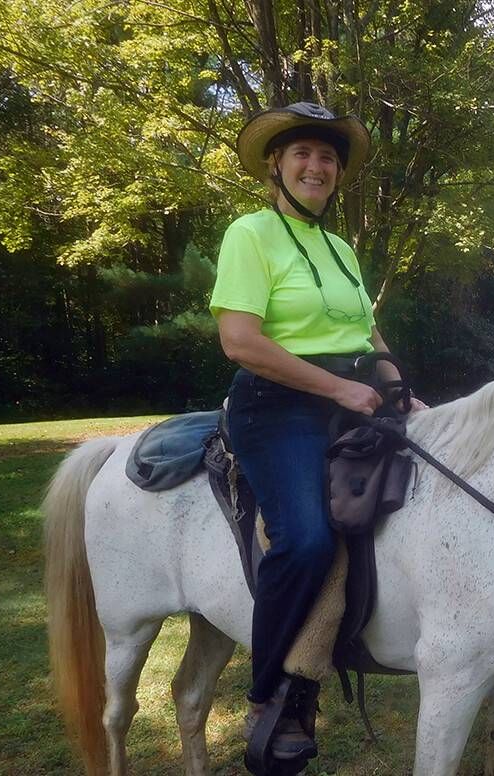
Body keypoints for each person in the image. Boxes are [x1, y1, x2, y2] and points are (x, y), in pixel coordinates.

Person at [210, 101, 419, 761]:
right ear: (276, 164)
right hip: (277, 406)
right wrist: (337, 387)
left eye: (327, 156)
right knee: (304, 539)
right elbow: (240, 341)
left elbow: (367, 332)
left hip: (353, 399)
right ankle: (271, 693)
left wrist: (400, 388)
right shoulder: (251, 233)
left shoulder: (340, 248)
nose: (316, 165)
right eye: (302, 152)